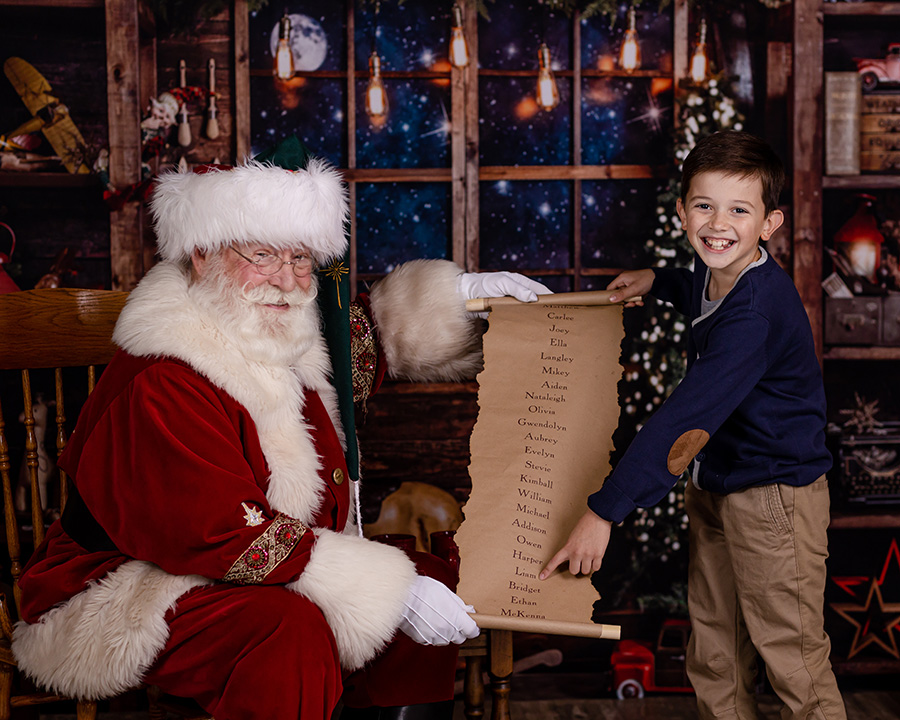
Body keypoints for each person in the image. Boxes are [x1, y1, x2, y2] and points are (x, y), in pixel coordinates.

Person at [11, 142, 549, 720]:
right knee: (289, 630)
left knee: (427, 575)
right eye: (263, 255)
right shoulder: (164, 373)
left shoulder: (269, 322)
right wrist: (380, 588)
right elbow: (216, 532)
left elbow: (359, 343)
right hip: (135, 581)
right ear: (201, 254)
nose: (287, 280)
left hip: (261, 554)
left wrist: (463, 296)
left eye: (298, 259)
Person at [540, 131, 846, 720]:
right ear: (682, 211)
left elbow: (684, 420)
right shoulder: (720, 273)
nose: (717, 224)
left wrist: (605, 512)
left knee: (793, 661)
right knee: (715, 655)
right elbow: (702, 290)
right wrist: (659, 280)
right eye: (704, 206)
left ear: (770, 223)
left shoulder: (755, 314)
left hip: (776, 498)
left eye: (739, 210)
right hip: (720, 488)